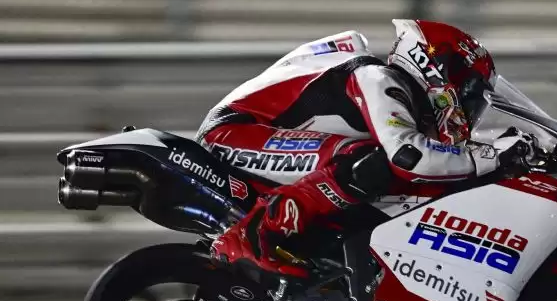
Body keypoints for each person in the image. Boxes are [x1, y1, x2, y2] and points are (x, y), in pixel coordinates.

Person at [197, 19, 539, 280]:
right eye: (468, 90)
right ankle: (251, 237)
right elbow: (410, 157)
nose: (469, 106)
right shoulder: (378, 77)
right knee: (365, 163)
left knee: (396, 178)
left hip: (268, 142)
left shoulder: (407, 101)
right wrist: (493, 155)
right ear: (439, 68)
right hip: (232, 134)